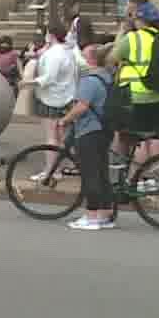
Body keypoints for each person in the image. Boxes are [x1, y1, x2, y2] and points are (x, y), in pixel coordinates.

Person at [59, 44, 117, 231]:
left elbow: (82, 106)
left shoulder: (90, 80)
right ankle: (105, 214)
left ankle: (91, 216)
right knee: (102, 173)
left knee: (90, 174)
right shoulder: (107, 77)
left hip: (89, 130)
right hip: (104, 129)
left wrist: (65, 120)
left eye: (84, 56)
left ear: (91, 59)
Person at [107, 0, 159, 164]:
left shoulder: (132, 39)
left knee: (134, 139)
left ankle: (133, 178)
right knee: (154, 138)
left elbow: (111, 59)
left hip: (134, 96)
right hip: (157, 94)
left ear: (140, 20)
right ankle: (152, 176)